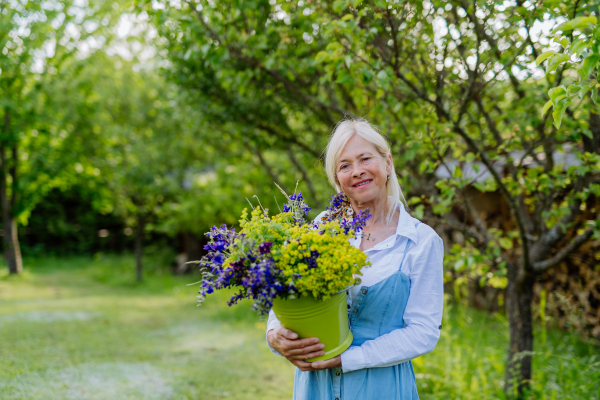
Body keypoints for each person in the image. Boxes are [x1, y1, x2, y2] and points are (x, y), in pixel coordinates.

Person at [266, 118, 444, 399]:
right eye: (345, 165)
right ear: (337, 178)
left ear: (387, 163)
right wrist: (274, 333)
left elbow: (423, 332)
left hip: (381, 388)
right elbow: (286, 290)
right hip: (315, 387)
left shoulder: (420, 242)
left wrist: (346, 359)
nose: (357, 171)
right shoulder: (323, 226)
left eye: (365, 159)